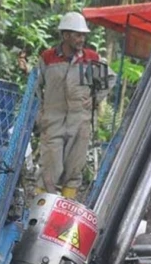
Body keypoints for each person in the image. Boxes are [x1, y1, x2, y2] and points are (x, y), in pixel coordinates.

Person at [35, 11, 109, 199]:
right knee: (51, 170)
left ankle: (63, 217)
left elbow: (109, 80)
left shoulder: (91, 57)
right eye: (77, 35)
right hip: (53, 121)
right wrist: (40, 113)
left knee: (74, 170)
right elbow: (34, 87)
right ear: (65, 35)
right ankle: (40, 215)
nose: (81, 39)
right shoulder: (47, 58)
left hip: (80, 122)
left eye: (83, 35)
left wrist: (95, 98)